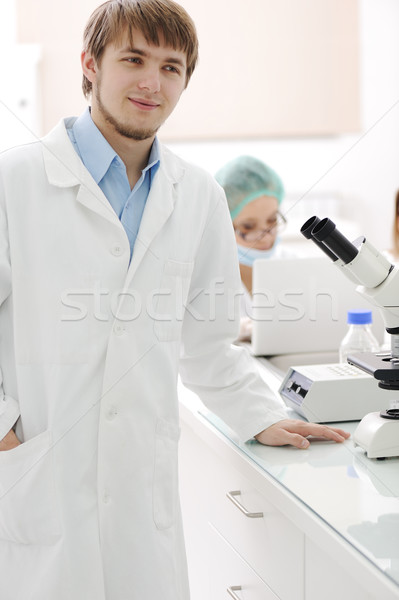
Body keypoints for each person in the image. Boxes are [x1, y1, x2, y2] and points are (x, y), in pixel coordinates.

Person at [0, 1, 349, 598]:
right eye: (133, 59)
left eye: (171, 67)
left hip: (143, 505)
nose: (151, 82)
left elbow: (209, 345)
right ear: (90, 64)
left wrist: (264, 416)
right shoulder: (16, 184)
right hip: (37, 487)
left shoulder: (200, 197)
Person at [215, 155, 294, 339]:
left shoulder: (296, 263)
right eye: (248, 227)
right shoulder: (206, 273)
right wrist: (232, 332)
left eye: (272, 220)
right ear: (224, 225)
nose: (265, 236)